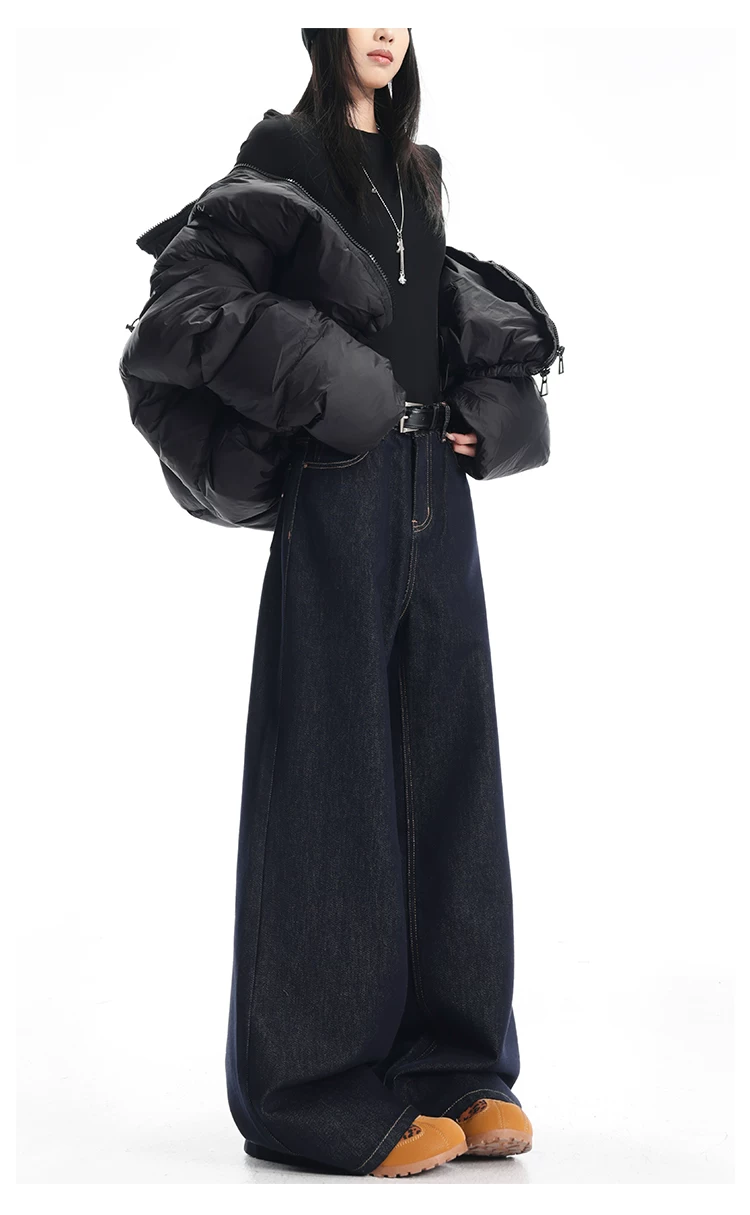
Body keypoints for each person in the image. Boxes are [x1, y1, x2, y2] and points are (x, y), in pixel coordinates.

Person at [120, 26, 563, 1179]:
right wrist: (330, 381)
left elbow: (429, 311)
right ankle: (312, 1090)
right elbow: (182, 312)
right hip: (343, 491)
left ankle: (452, 1065)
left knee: (451, 771)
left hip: (434, 495)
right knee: (332, 781)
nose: (384, 26)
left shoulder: (415, 173)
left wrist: (491, 409)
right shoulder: (282, 165)